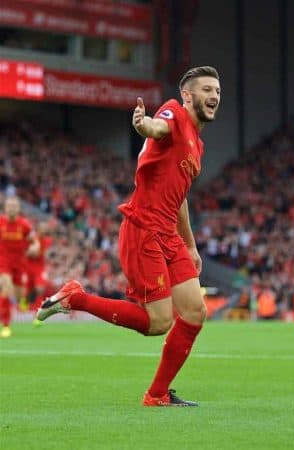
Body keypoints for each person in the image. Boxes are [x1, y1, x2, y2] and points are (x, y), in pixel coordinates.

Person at [37, 66, 221, 406]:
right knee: (158, 323)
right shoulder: (174, 113)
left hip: (169, 234)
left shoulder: (198, 145)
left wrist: (191, 245)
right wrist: (143, 125)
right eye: (207, 90)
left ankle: (157, 395)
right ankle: (75, 298)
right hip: (144, 230)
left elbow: (179, 197)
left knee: (195, 312)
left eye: (218, 91)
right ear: (188, 95)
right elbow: (157, 126)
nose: (214, 97)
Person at [0, 196, 40, 337]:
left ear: (18, 208)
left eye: (14, 206)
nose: (11, 208)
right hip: (3, 262)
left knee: (16, 295)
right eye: (9, 205)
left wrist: (35, 247)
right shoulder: (1, 222)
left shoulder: (24, 224)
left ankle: (22, 300)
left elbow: (35, 242)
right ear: (5, 207)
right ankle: (5, 325)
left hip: (20, 264)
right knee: (6, 287)